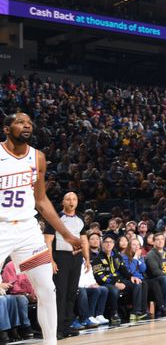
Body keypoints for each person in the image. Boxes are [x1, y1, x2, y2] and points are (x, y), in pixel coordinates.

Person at [0, 113, 83, 345]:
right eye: (19, 122)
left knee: (47, 288)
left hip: (27, 229)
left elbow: (42, 200)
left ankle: (50, 343)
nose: (26, 125)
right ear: (6, 129)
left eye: (29, 123)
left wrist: (66, 234)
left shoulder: (37, 157)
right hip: (1, 228)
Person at [43, 191, 90, 338]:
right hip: (60, 257)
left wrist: (87, 259)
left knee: (71, 293)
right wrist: (51, 260)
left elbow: (84, 240)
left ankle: (67, 325)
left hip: (75, 258)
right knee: (61, 294)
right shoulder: (56, 218)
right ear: (63, 202)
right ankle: (56, 328)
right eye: (68, 199)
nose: (71, 201)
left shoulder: (81, 219)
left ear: (77, 201)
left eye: (74, 199)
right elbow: (48, 241)